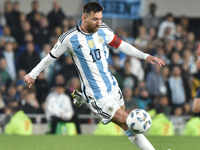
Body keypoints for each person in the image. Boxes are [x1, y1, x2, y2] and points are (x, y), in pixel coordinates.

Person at [24, 1, 165, 149]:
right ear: (84, 18)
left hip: (112, 85)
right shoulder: (69, 38)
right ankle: (87, 98)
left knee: (127, 126)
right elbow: (50, 57)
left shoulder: (103, 30)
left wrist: (145, 56)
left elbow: (122, 45)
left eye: (100, 19)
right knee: (128, 120)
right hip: (98, 95)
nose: (99, 23)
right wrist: (33, 74)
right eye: (95, 19)